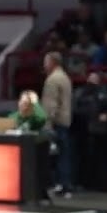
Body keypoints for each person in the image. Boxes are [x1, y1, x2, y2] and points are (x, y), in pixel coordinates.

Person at [41, 52, 74, 198]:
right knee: (64, 155)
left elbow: (51, 105)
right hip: (65, 121)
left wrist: (47, 124)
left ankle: (58, 185)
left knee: (54, 156)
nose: (44, 65)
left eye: (46, 62)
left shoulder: (53, 80)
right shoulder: (66, 78)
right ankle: (65, 185)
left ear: (53, 62)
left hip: (55, 123)